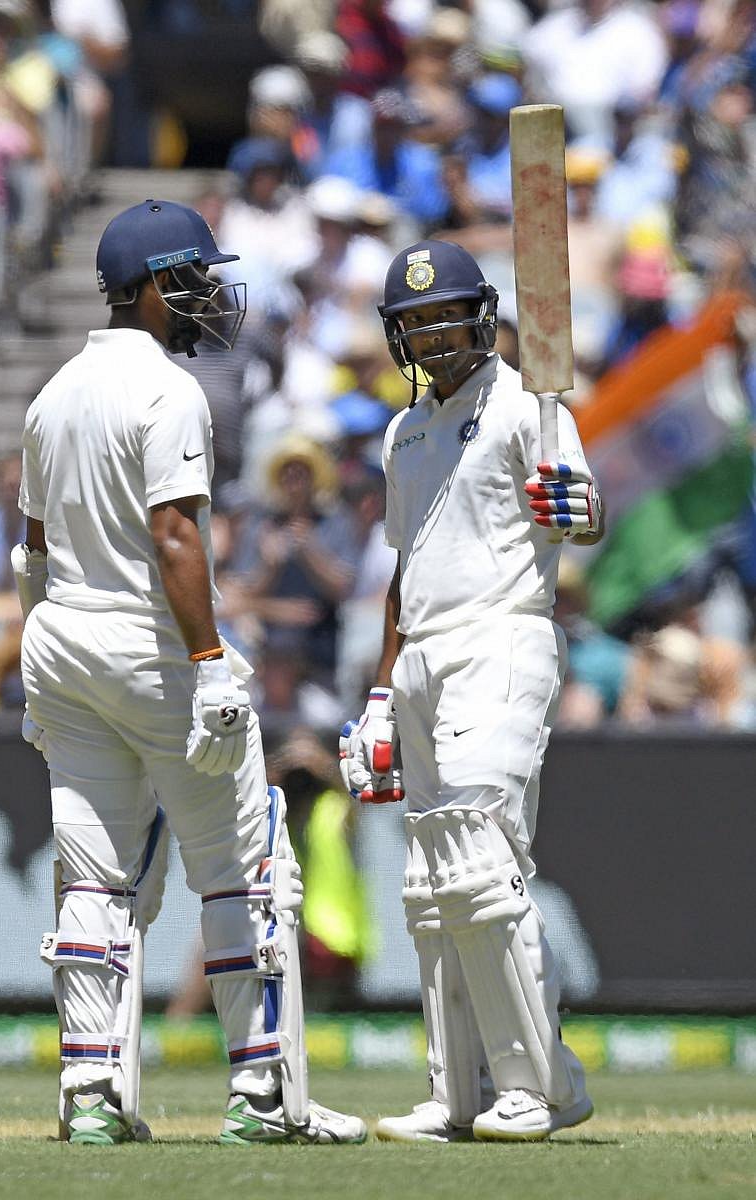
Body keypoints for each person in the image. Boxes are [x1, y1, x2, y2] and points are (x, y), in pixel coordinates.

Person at [14, 198, 366, 1146]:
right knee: (245, 869)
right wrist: (210, 664)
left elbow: (32, 554)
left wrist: (42, 659)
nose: (210, 293)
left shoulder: (52, 395)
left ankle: (91, 1095)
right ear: (153, 287)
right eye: (195, 277)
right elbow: (175, 537)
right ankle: (263, 1097)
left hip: (63, 642)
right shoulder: (169, 394)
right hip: (148, 648)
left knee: (93, 880)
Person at [339, 239, 603, 1142]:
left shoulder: (532, 402)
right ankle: (458, 1096)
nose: (429, 331)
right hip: (420, 656)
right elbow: (404, 570)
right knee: (430, 885)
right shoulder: (403, 431)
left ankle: (546, 1085)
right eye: (411, 320)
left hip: (502, 636)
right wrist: (379, 696)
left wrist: (576, 507)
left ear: (479, 316)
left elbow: (582, 502)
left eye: (443, 314)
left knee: (480, 865)